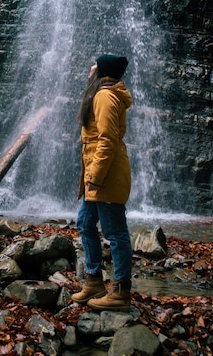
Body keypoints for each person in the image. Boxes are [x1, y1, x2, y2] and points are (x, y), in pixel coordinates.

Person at [71, 53, 133, 312]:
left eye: (93, 66)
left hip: (104, 175)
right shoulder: (101, 95)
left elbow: (107, 140)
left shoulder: (105, 96)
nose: (89, 70)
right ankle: (94, 280)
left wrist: (94, 177)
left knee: (115, 232)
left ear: (102, 73)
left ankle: (120, 291)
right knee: (85, 223)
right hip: (96, 175)